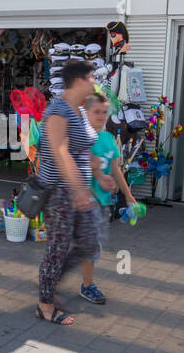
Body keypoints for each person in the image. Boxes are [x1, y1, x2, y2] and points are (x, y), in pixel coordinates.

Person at [35, 60, 100, 325]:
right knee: (58, 248)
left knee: (88, 243)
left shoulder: (80, 111)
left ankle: (51, 283)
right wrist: (77, 189)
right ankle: (45, 305)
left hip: (77, 190)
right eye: (92, 77)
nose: (95, 82)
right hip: (59, 191)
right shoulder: (58, 111)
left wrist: (101, 174)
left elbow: (82, 148)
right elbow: (60, 152)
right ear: (80, 81)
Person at [79, 93, 135, 305]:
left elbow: (115, 169)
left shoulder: (107, 139)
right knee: (91, 246)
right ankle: (86, 286)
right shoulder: (82, 139)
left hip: (102, 204)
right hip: (83, 202)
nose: (102, 116)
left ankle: (58, 275)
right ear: (86, 112)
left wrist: (128, 196)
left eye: (105, 112)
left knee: (91, 246)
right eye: (97, 112)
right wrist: (99, 178)